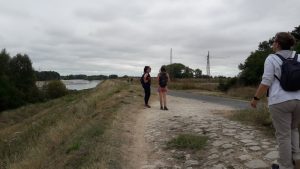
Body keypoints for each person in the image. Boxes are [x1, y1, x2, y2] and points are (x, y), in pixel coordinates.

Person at [250, 32, 300, 169]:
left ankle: (285, 166)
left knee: (283, 135)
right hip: (298, 100)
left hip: (279, 101)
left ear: (277, 44)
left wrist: (255, 99)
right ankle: (297, 159)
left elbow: (266, 82)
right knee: (294, 130)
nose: (273, 44)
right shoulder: (299, 57)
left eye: (274, 42)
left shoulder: (271, 58)